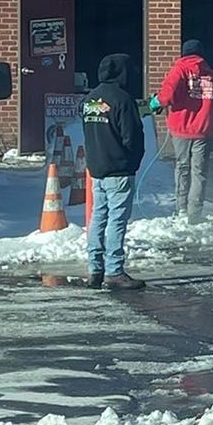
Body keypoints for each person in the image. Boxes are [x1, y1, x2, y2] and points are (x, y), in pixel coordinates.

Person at [81, 53, 146, 290]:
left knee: (98, 217)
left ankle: (94, 268)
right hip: (119, 169)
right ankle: (114, 271)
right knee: (117, 220)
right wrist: (134, 160)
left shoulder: (89, 99)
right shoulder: (122, 100)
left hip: (97, 169)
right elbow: (132, 137)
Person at [155, 39, 213, 224]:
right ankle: (195, 214)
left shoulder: (179, 69)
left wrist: (156, 102)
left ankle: (181, 209)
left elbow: (167, 94)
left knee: (182, 168)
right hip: (203, 130)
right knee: (199, 172)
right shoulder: (212, 76)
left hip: (180, 129)